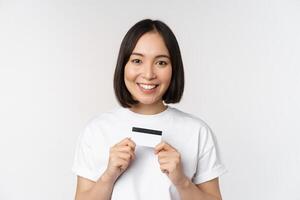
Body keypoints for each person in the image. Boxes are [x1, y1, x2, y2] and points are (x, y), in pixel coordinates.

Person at [72, 19, 227, 200]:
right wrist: (109, 176)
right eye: (137, 60)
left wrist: (182, 181)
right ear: (123, 66)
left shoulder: (197, 131)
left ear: (174, 68)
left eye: (161, 63)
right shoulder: (96, 130)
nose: (148, 74)